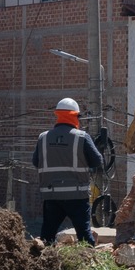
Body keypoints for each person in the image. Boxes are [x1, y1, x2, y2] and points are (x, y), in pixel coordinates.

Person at [33, 97, 105, 244]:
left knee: (47, 236)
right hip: (77, 195)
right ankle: (88, 263)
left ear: (58, 115)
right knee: (84, 236)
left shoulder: (43, 137)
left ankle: (44, 262)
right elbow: (98, 161)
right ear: (75, 116)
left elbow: (36, 162)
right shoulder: (82, 137)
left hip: (51, 195)